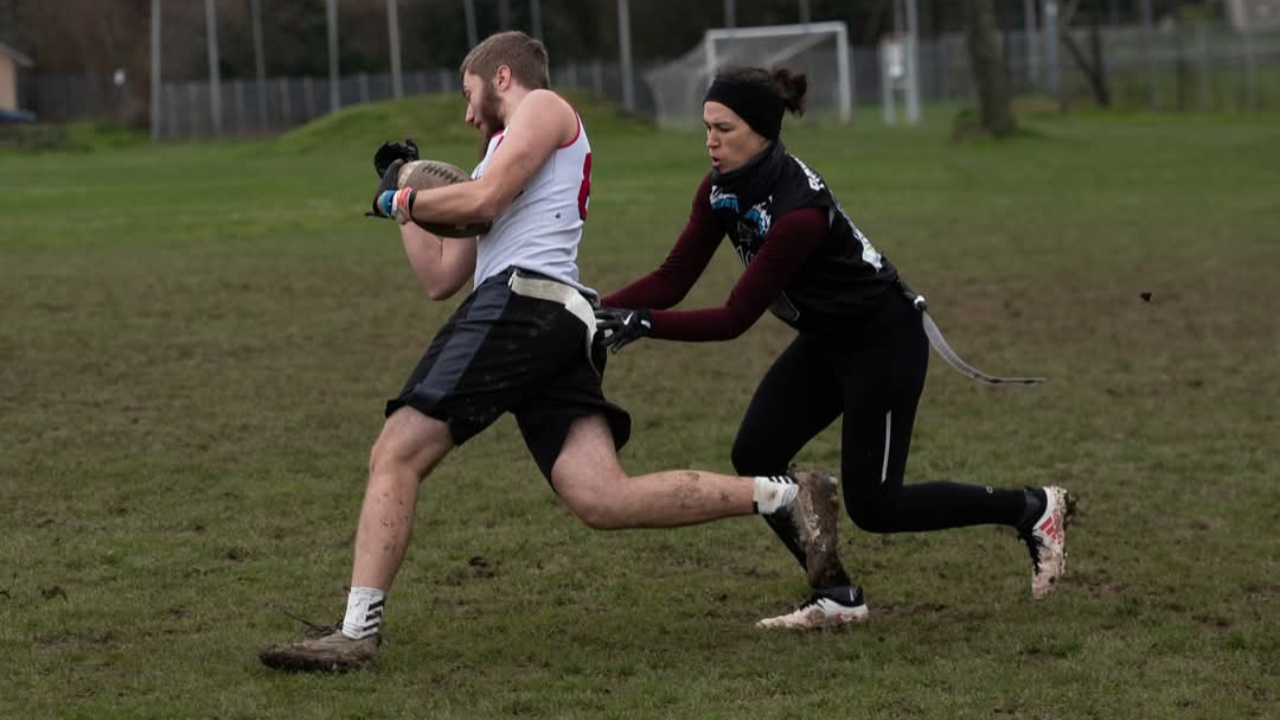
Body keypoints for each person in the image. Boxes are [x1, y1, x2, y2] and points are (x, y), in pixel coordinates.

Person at [258, 33, 837, 673]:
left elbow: (482, 201)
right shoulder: (498, 157)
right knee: (601, 497)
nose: (467, 114)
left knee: (396, 451)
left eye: (469, 93)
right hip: (555, 323)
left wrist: (404, 197)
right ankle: (783, 496)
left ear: (501, 76)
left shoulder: (543, 107)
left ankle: (355, 633)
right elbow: (441, 278)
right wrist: (399, 198)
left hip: (523, 306)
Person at [594, 65, 1073, 631]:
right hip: (828, 342)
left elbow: (733, 319)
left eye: (724, 129)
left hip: (884, 344)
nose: (710, 142)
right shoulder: (720, 189)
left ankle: (1032, 509)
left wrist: (643, 324)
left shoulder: (799, 213)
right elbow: (673, 278)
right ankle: (837, 593)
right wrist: (588, 307)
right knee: (757, 454)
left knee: (878, 507)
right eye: (706, 127)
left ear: (762, 131)